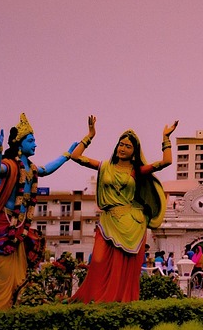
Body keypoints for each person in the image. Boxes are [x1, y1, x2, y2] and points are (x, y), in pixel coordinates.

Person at [0, 113, 85, 310]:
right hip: (2, 227)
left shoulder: (32, 168)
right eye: (31, 140)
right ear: (19, 144)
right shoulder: (10, 166)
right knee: (2, 278)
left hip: (20, 227)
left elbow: (46, 169)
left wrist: (66, 156)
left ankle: (13, 312)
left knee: (20, 278)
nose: (35, 144)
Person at [69, 119, 177, 304]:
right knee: (98, 260)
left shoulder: (136, 171)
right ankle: (94, 298)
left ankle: (117, 301)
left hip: (130, 222)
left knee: (122, 265)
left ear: (134, 151)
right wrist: (90, 135)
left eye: (128, 146)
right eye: (121, 144)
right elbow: (75, 157)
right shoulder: (104, 166)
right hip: (108, 219)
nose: (123, 148)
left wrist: (166, 138)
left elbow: (166, 161)